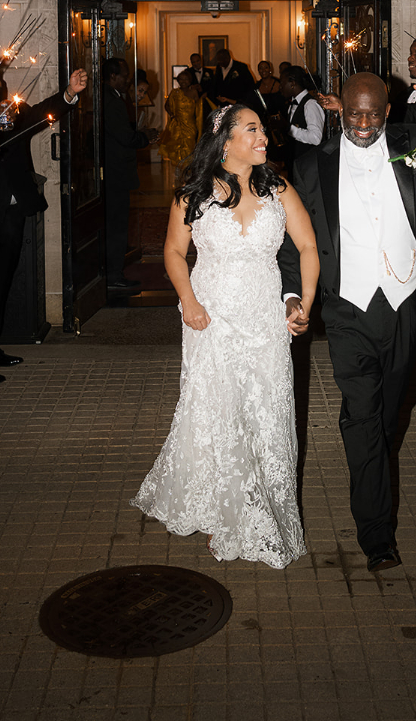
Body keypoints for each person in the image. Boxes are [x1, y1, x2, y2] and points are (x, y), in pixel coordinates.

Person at [277, 71, 416, 572]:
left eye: (373, 115)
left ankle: (373, 455)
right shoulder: (311, 165)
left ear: (387, 111)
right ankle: (376, 534)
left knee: (387, 412)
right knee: (362, 415)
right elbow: (296, 240)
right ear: (340, 110)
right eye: (354, 114)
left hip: (405, 302)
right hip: (346, 308)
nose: (363, 124)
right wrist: (292, 294)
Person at [131, 103, 319, 569]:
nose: (263, 137)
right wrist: (189, 302)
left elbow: (308, 246)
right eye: (252, 130)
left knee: (266, 411)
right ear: (226, 141)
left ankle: (264, 504)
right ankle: (229, 512)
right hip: (211, 317)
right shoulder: (194, 194)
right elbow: (173, 252)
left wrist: (304, 302)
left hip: (264, 319)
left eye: (263, 129)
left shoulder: (278, 188)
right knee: (221, 411)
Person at [0, 68, 88, 383]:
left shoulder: (16, 112)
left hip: (11, 215)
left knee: (0, 284)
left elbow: (43, 112)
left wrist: (69, 92)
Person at [103, 58, 158, 293]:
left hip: (113, 171)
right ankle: (113, 275)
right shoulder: (112, 100)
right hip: (115, 173)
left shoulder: (113, 97)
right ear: (113, 76)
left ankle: (113, 270)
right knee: (116, 226)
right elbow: (124, 137)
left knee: (116, 224)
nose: (128, 80)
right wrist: (146, 137)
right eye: (125, 75)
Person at [279, 65, 325, 177]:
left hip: (309, 169)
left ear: (292, 83)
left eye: (282, 83)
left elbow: (316, 138)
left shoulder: (310, 105)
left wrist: (290, 128)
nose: (280, 87)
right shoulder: (292, 104)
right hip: (295, 166)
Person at [159, 70, 201, 167]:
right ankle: (180, 167)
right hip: (177, 124)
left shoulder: (194, 92)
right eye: (181, 79)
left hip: (190, 125)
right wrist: (172, 115)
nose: (183, 81)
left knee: (190, 145)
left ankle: (188, 167)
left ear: (190, 81)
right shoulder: (175, 92)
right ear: (178, 81)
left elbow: (199, 108)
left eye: (186, 79)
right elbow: (167, 106)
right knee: (177, 147)